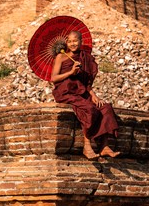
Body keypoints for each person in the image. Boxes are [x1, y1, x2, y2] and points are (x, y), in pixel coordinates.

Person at [51, 31, 120, 160]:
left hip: (81, 91)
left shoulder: (85, 57)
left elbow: (85, 83)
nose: (72, 44)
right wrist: (71, 72)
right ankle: (87, 147)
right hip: (65, 92)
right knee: (89, 109)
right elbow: (54, 78)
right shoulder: (61, 57)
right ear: (66, 42)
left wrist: (93, 95)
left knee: (105, 108)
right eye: (70, 41)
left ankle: (105, 146)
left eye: (75, 41)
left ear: (81, 41)